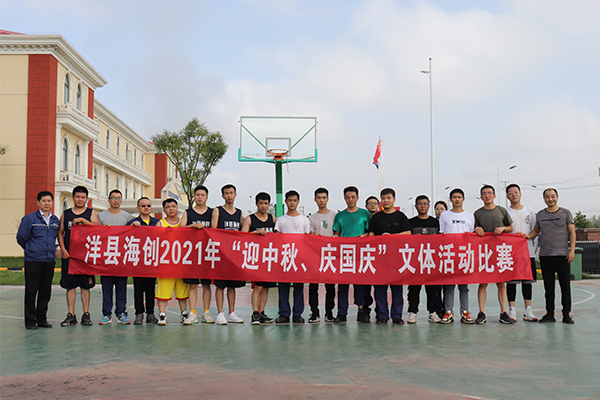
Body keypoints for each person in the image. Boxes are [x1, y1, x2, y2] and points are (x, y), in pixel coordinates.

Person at [524, 188, 575, 324]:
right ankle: (549, 314)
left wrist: (571, 251)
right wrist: (526, 237)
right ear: (544, 199)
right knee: (548, 287)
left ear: (557, 197)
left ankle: (566, 315)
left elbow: (572, 232)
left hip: (562, 255)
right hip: (546, 255)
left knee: (565, 286)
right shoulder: (540, 214)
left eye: (552, 196)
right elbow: (536, 231)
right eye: (547, 197)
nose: (550, 199)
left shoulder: (565, 213)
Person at [16, 191, 60, 329]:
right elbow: (21, 237)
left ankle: (42, 319)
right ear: (38, 202)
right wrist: (31, 249)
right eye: (44, 201)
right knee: (31, 291)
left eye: (49, 201)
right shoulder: (29, 219)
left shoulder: (55, 220)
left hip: (49, 260)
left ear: (52, 203)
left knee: (45, 291)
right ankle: (30, 321)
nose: (47, 203)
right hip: (33, 260)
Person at [58, 186, 99, 326]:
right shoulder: (66, 214)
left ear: (86, 199)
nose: (80, 199)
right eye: (78, 197)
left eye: (83, 197)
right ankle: (71, 314)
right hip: (70, 256)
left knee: (85, 286)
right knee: (70, 286)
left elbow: (97, 229)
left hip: (85, 256)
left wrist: (82, 220)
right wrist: (63, 249)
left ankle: (86, 314)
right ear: (73, 197)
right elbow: (60, 232)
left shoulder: (91, 213)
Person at [369, 188, 411, 324]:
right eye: (383, 198)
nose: (386, 201)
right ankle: (382, 315)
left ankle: (397, 315)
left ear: (394, 199)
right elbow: (371, 235)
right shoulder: (376, 217)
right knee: (379, 289)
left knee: (397, 290)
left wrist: (391, 237)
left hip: (396, 259)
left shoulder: (401, 216)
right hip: (379, 259)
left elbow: (408, 233)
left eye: (388, 198)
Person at [474, 185, 514, 324]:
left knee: (501, 283)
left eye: (490, 193)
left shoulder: (501, 210)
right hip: (484, 252)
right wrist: (477, 229)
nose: (487, 196)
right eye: (484, 193)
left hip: (500, 251)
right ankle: (481, 313)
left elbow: (511, 227)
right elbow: (473, 230)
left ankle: (503, 313)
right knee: (483, 283)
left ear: (494, 195)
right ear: (481, 197)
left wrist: (503, 228)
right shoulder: (478, 213)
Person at [332, 186, 371, 323]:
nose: (350, 200)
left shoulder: (364, 214)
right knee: (342, 286)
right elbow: (337, 232)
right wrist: (336, 237)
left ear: (357, 198)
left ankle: (361, 312)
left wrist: (364, 236)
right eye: (348, 197)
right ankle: (341, 313)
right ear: (344, 198)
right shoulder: (340, 215)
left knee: (360, 285)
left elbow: (370, 233)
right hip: (344, 255)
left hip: (360, 255)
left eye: (353, 197)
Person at [179, 185, 215, 325]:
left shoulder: (212, 212)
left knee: (206, 285)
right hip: (192, 254)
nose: (200, 197)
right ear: (194, 196)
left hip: (207, 254)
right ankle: (192, 313)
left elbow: (216, 230)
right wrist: (192, 226)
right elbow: (180, 229)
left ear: (207, 197)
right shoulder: (188, 213)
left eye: (202, 195)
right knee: (192, 285)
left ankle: (206, 312)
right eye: (197, 195)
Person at [438, 188, 475, 324]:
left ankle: (465, 312)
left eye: (459, 197)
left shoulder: (469, 215)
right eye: (454, 197)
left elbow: (472, 235)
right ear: (450, 199)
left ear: (463, 199)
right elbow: (441, 233)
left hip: (464, 255)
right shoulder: (444, 215)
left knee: (464, 287)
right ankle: (448, 312)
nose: (457, 199)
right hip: (449, 255)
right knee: (449, 286)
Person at [274, 190, 311, 324]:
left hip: (299, 258)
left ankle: (297, 314)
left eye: (294, 200)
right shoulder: (280, 220)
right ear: (285, 202)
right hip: (284, 257)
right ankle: (284, 314)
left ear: (298, 202)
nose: (292, 203)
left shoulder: (304, 220)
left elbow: (308, 238)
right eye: (290, 200)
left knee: (299, 287)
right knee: (283, 287)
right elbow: (276, 237)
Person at [211, 184, 245, 325]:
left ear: (235, 195)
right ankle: (220, 313)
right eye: (227, 193)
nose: (229, 195)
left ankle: (231, 313)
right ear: (223, 196)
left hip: (234, 255)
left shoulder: (239, 213)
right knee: (220, 285)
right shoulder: (217, 211)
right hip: (221, 254)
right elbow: (213, 231)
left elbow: (242, 233)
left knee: (232, 286)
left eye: (231, 193)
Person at [407, 195, 444, 324]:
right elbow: (405, 240)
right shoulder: (410, 222)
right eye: (420, 204)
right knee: (414, 288)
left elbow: (443, 239)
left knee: (432, 289)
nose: (422, 206)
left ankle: (432, 312)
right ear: (415, 206)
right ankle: (413, 312)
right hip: (415, 261)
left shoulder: (436, 222)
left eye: (425, 203)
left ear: (429, 205)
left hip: (431, 261)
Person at [242, 192, 277, 325]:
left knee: (266, 288)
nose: (263, 206)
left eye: (266, 203)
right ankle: (255, 313)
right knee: (258, 287)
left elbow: (279, 236)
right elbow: (241, 237)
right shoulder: (249, 219)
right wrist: (255, 233)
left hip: (269, 258)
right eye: (261, 203)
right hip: (256, 258)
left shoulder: (273, 219)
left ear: (269, 204)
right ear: (256, 204)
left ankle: (262, 312)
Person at [97, 189, 132, 325]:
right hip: (106, 257)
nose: (116, 200)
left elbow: (132, 235)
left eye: (119, 198)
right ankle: (106, 314)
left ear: (121, 201)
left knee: (121, 287)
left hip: (121, 258)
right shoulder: (101, 216)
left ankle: (121, 313)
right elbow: (95, 233)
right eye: (113, 198)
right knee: (106, 287)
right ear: (109, 200)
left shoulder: (127, 216)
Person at [505, 184, 538, 322]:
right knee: (511, 282)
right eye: (510, 193)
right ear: (507, 196)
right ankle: (512, 310)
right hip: (510, 254)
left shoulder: (529, 211)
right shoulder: (505, 212)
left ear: (520, 194)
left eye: (516, 192)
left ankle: (528, 310)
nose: (514, 194)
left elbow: (535, 230)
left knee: (527, 282)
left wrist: (527, 237)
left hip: (527, 252)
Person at [127, 197, 160, 324]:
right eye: (143, 206)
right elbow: (125, 238)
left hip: (152, 260)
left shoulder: (157, 222)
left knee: (150, 289)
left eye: (148, 206)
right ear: (138, 207)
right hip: (138, 261)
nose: (146, 208)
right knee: (138, 289)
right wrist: (132, 228)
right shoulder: (132, 222)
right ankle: (139, 314)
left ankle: (150, 314)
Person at [156, 198, 189, 325]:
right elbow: (155, 241)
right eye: (168, 207)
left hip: (181, 263)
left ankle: (184, 314)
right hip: (166, 263)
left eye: (173, 206)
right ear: (164, 210)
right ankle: (162, 315)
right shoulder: (160, 224)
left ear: (177, 208)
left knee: (182, 290)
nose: (171, 209)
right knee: (163, 290)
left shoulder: (183, 222)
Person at [308, 187, 337, 323]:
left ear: (327, 199)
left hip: (330, 256)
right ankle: (314, 313)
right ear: (315, 199)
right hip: (315, 256)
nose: (321, 200)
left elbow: (337, 233)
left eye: (324, 198)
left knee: (330, 287)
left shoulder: (335, 216)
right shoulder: (311, 218)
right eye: (319, 198)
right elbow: (310, 236)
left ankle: (329, 313)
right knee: (313, 287)